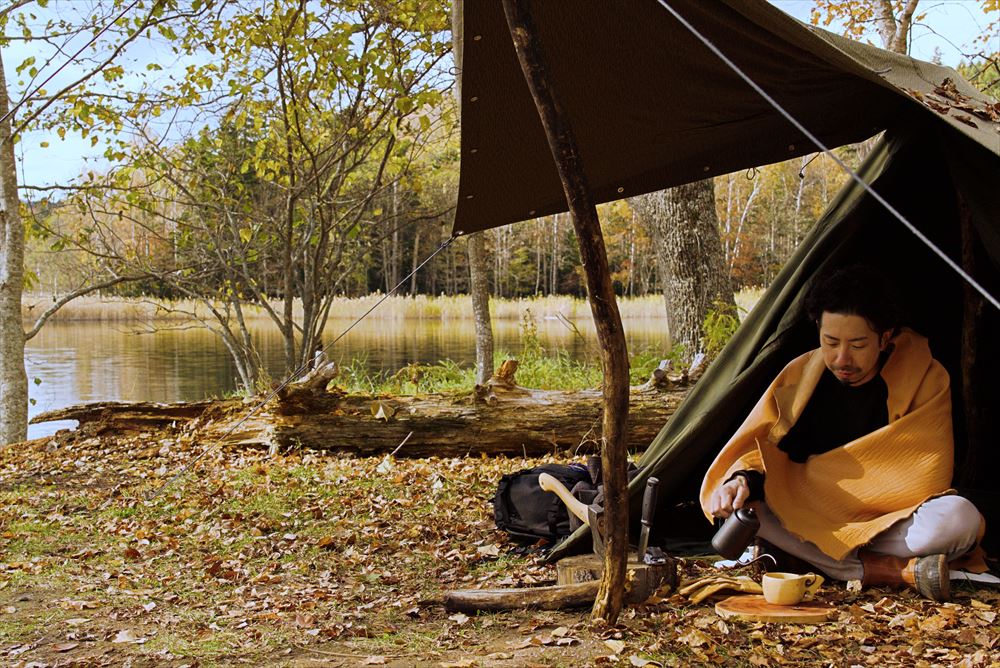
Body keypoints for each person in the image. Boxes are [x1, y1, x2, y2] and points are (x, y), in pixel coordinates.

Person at [700, 265, 986, 601]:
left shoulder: (925, 376)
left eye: (858, 344)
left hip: (889, 521)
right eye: (830, 342)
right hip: (809, 515)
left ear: (885, 337)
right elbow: (765, 449)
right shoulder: (802, 375)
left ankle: (823, 561)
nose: (842, 358)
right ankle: (884, 570)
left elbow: (927, 473)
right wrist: (741, 481)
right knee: (745, 509)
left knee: (959, 517)